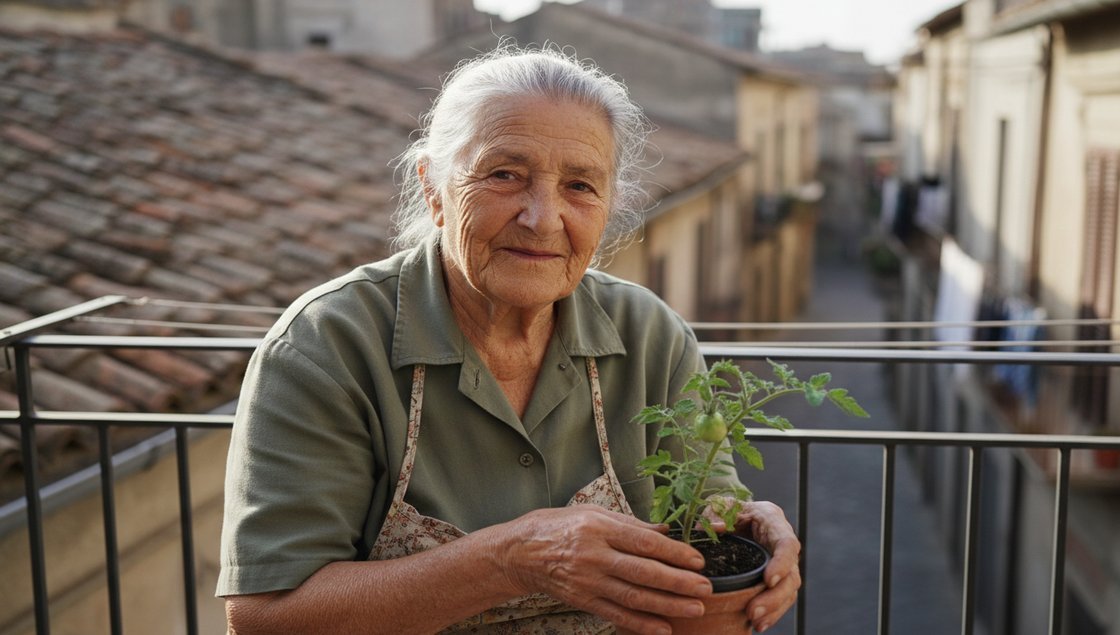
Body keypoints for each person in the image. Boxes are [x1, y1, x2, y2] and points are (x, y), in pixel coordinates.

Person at [218, 46, 802, 635]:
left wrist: (752, 528)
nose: (543, 217)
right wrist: (514, 560)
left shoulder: (651, 334)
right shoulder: (327, 346)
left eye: (579, 186)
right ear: (434, 189)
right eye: (504, 175)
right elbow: (268, 617)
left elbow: (709, 515)